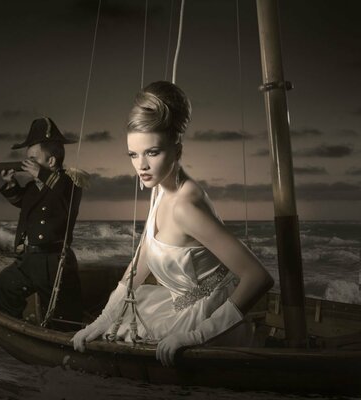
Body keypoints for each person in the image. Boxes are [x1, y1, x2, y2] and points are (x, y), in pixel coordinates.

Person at [71, 81, 274, 365]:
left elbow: (258, 277)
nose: (141, 166)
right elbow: (139, 264)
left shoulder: (186, 208)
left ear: (177, 151)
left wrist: (198, 335)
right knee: (114, 331)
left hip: (207, 321)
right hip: (177, 304)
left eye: (152, 153)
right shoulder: (158, 188)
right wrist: (102, 320)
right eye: (133, 154)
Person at [0, 117, 85, 329]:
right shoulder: (35, 185)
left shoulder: (69, 182)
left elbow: (60, 192)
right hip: (30, 260)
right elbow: (23, 203)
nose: (26, 164)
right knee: (7, 284)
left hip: (53, 263)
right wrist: (11, 184)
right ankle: (14, 331)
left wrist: (42, 174)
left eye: (33, 159)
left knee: (62, 317)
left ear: (51, 161)